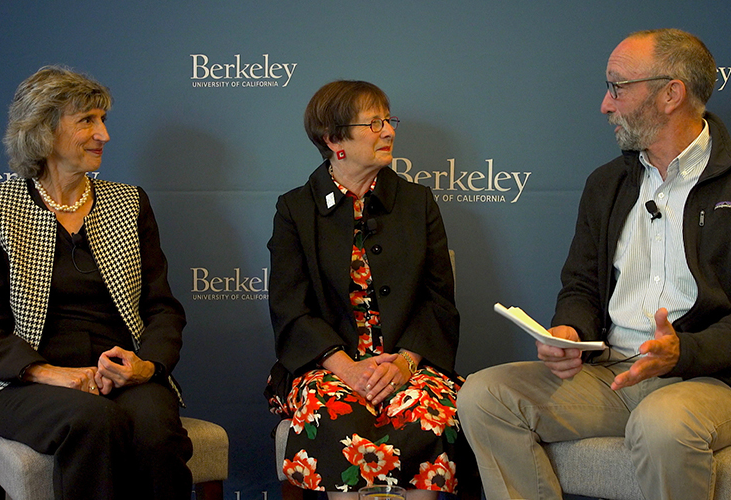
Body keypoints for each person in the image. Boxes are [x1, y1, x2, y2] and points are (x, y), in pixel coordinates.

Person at [457, 28, 731, 500]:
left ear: (671, 94)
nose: (605, 105)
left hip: (706, 377)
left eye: (617, 87)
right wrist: (567, 332)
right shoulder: (607, 183)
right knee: (484, 395)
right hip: (610, 373)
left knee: (661, 424)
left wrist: (682, 353)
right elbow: (581, 285)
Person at [0, 66, 192, 499]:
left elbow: (161, 308)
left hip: (122, 372)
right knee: (95, 421)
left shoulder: (128, 201)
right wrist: (47, 372)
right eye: (87, 121)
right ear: (43, 129)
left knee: (154, 429)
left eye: (104, 120)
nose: (104, 135)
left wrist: (146, 366)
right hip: (27, 381)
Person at [265, 80, 462, 498]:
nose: (389, 131)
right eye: (373, 123)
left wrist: (405, 364)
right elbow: (290, 309)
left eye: (388, 120)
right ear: (334, 138)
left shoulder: (417, 202)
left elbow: (438, 300)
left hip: (408, 363)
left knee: (426, 413)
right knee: (338, 415)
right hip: (327, 367)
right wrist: (349, 369)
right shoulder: (295, 210)